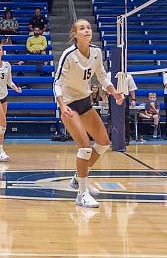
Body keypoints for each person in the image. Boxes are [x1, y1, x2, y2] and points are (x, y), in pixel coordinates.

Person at [54, 19, 124, 208]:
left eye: (88, 28)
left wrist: (114, 92)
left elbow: (101, 76)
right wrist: (61, 105)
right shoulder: (68, 55)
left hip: (85, 102)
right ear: (74, 34)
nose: (86, 30)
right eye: (81, 28)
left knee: (103, 143)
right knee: (85, 146)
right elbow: (57, 83)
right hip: (68, 104)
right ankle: (81, 194)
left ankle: (78, 177)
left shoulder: (96, 52)